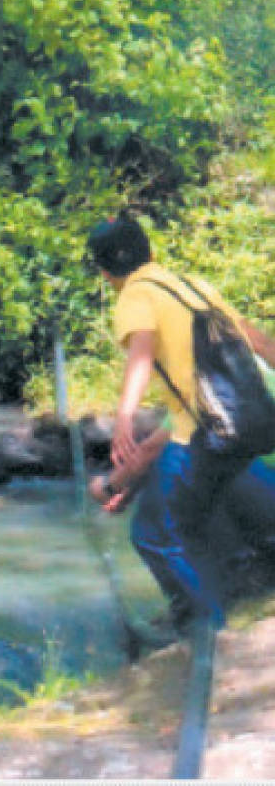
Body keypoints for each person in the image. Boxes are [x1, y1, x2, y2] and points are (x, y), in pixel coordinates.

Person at [89, 214, 275, 628]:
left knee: (155, 533)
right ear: (150, 251)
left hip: (207, 432)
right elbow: (258, 341)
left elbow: (141, 348)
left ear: (104, 272)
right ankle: (232, 595)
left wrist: (123, 417)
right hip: (248, 423)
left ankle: (208, 632)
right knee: (205, 496)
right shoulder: (194, 287)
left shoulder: (135, 296)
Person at [90, 403, 275, 634]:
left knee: (155, 530)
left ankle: (202, 621)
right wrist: (133, 487)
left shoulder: (216, 380)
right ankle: (242, 578)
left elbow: (161, 446)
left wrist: (109, 486)